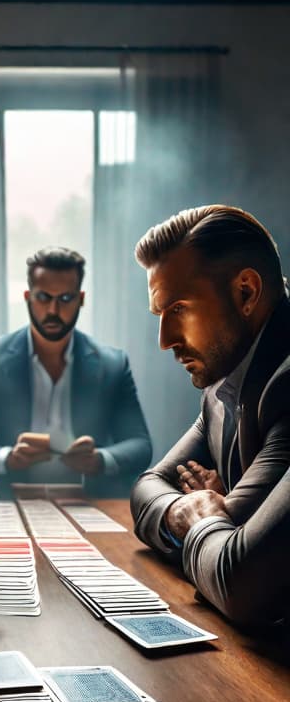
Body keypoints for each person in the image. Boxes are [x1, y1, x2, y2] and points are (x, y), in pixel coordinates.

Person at [130, 204, 290, 623]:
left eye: (179, 308)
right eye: (160, 315)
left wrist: (206, 519)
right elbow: (148, 487)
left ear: (246, 293)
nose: (164, 340)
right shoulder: (223, 384)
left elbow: (239, 582)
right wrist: (185, 511)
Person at [0, 246, 152, 498]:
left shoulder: (113, 364)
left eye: (65, 299)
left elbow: (140, 446)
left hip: (90, 502)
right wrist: (6, 457)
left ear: (81, 299)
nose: (53, 310)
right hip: (10, 500)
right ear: (28, 296)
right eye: (44, 298)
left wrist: (100, 459)